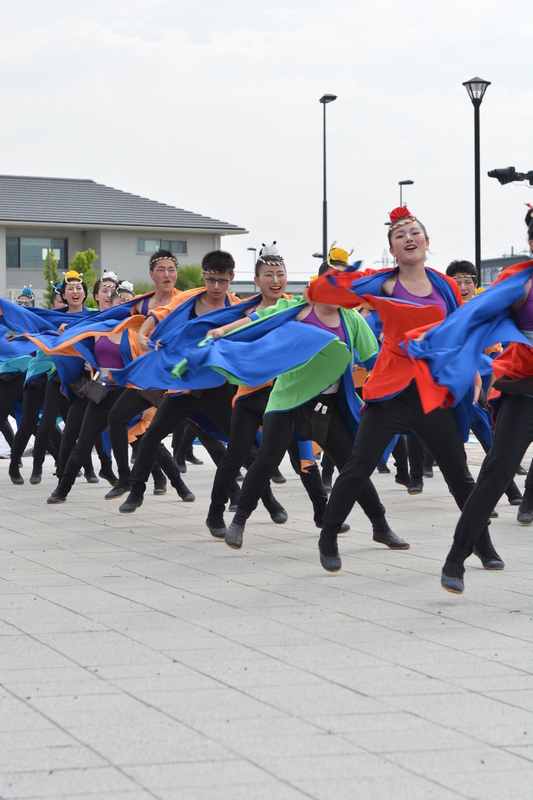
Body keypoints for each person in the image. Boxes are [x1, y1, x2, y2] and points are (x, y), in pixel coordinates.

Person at [306, 205, 502, 572]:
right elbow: (327, 294)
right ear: (392, 250)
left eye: (414, 232)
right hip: (392, 390)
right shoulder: (382, 282)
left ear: (427, 242)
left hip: (432, 392)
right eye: (399, 235)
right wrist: (341, 278)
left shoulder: (443, 284)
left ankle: (482, 544)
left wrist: (473, 372)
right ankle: (328, 535)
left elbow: (461, 332)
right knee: (358, 466)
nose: (408, 237)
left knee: (458, 473)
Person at [206, 257, 404, 557]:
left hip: (327, 405)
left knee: (353, 465)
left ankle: (380, 526)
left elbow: (372, 359)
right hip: (288, 398)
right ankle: (239, 520)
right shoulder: (296, 309)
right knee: (267, 458)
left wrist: (396, 384)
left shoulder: (351, 320)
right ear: (318, 286)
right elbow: (258, 320)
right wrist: (221, 332)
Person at [205, 243, 337, 539]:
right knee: (236, 454)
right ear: (256, 280)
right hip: (251, 396)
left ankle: (322, 512)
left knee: (304, 458)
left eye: (280, 273)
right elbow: (229, 340)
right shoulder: (247, 313)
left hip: (289, 396)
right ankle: (215, 513)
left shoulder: (297, 309)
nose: (275, 280)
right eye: (268, 274)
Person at [439, 208, 533, 593]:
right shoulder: (518, 281)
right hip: (523, 391)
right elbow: (474, 319)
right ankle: (456, 558)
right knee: (496, 474)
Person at [117, 250, 243, 513]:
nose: (216, 287)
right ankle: (136, 492)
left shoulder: (236, 306)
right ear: (204, 277)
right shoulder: (189, 298)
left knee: (236, 444)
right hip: (181, 387)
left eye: (222, 280)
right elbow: (162, 312)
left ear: (231, 278)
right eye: (211, 280)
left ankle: (256, 496)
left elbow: (259, 322)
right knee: (151, 437)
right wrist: (143, 333)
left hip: (214, 388)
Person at [46, 289, 194, 504]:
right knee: (83, 444)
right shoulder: (97, 330)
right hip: (103, 393)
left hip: (130, 393)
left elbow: (145, 367)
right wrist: (64, 331)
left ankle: (179, 487)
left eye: (127, 301)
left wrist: (147, 405)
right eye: (118, 300)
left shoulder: (135, 332)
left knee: (150, 444)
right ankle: (62, 489)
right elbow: (80, 346)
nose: (122, 304)